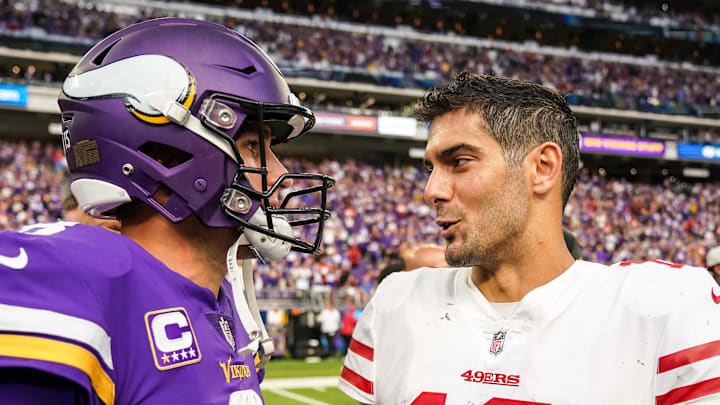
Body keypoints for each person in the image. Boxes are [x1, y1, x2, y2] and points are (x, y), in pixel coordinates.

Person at [0, 18, 334, 404]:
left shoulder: (227, 304)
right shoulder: (83, 280)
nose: (282, 175)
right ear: (166, 155)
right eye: (253, 147)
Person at [339, 72, 720, 404]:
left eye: (459, 162)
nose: (431, 190)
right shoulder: (397, 302)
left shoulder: (667, 308)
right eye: (430, 167)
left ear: (542, 168)